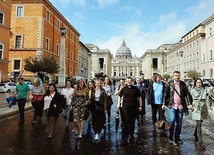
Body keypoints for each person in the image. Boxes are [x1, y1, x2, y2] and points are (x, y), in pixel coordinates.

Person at [163, 71, 193, 145]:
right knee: (172, 120)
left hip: (180, 106)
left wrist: (189, 104)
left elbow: (187, 94)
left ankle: (177, 138)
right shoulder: (169, 84)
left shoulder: (182, 84)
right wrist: (164, 104)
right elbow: (165, 94)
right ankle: (171, 136)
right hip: (171, 105)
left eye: (178, 75)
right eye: (176, 75)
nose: (177, 77)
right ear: (173, 76)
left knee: (179, 123)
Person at [117, 77, 143, 145]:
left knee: (132, 120)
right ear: (126, 82)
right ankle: (126, 134)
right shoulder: (124, 89)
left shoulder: (135, 89)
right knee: (126, 120)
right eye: (127, 81)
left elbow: (139, 97)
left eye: (130, 81)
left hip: (134, 107)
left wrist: (140, 106)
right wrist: (118, 104)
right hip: (125, 107)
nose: (129, 82)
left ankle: (131, 133)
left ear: (132, 81)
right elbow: (120, 96)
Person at [189, 78, 208, 150]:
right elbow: (189, 98)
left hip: (203, 108)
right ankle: (200, 142)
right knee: (199, 123)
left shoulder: (204, 90)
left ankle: (195, 133)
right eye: (197, 82)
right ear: (195, 83)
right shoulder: (192, 90)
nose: (199, 84)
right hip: (196, 107)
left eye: (200, 82)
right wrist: (189, 105)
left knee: (200, 122)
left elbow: (209, 97)